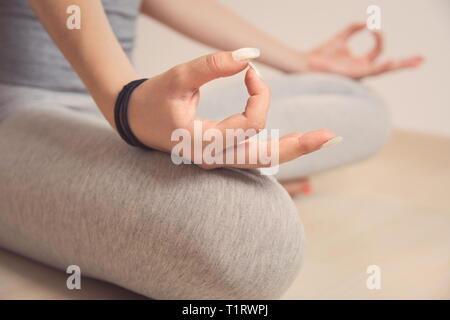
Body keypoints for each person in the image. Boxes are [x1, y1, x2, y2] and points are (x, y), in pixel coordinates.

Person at [0, 0, 421, 299]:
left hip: (121, 98)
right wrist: (124, 103)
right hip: (23, 109)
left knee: (356, 103)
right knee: (254, 240)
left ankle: (193, 163)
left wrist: (303, 62)